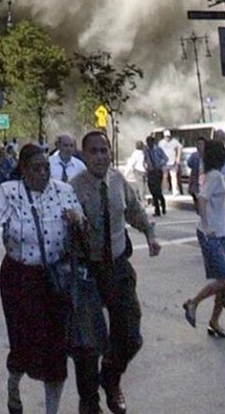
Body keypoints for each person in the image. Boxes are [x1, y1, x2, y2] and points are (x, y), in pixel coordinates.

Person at [0, 142, 84, 414]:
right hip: (19, 279)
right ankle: (13, 385)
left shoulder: (64, 191)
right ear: (23, 170)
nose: (42, 173)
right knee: (22, 342)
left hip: (54, 279)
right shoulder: (9, 191)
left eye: (46, 168)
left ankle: (53, 409)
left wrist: (76, 220)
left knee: (56, 348)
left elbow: (82, 225)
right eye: (36, 168)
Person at [71, 130, 161, 414]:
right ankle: (89, 402)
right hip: (87, 270)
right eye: (94, 151)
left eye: (104, 150)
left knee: (130, 335)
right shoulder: (73, 187)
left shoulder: (118, 181)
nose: (100, 156)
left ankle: (111, 378)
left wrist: (150, 233)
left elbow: (134, 210)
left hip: (117, 266)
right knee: (87, 344)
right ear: (84, 156)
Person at [182, 139, 225, 338]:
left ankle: (215, 320)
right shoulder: (214, 176)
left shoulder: (217, 175)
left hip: (221, 231)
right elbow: (203, 199)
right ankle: (193, 302)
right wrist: (206, 225)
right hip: (212, 232)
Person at [143, 135, 166, 216]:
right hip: (150, 172)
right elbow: (144, 160)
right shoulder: (146, 151)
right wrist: (146, 167)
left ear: (153, 142)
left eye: (150, 142)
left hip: (157, 171)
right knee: (152, 191)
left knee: (158, 191)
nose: (149, 144)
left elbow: (165, 158)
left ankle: (162, 207)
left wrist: (160, 164)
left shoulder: (158, 150)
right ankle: (157, 210)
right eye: (147, 143)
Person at [161, 129, 182, 197]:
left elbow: (180, 147)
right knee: (165, 177)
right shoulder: (161, 143)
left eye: (169, 136)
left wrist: (178, 157)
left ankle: (175, 191)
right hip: (165, 163)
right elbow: (158, 151)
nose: (168, 138)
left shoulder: (174, 142)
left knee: (174, 176)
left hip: (173, 162)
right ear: (164, 136)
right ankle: (165, 190)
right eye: (166, 136)